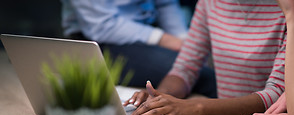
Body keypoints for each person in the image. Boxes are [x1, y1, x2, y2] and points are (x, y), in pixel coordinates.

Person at [125, 0, 294, 115]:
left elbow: (276, 94)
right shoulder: (211, 3)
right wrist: (159, 98)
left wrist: (196, 108)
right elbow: (185, 67)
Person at [60, 0, 211, 88]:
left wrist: (184, 41)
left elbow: (165, 4)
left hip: (151, 32)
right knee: (202, 74)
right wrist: (169, 41)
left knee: (205, 65)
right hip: (101, 41)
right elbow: (102, 26)